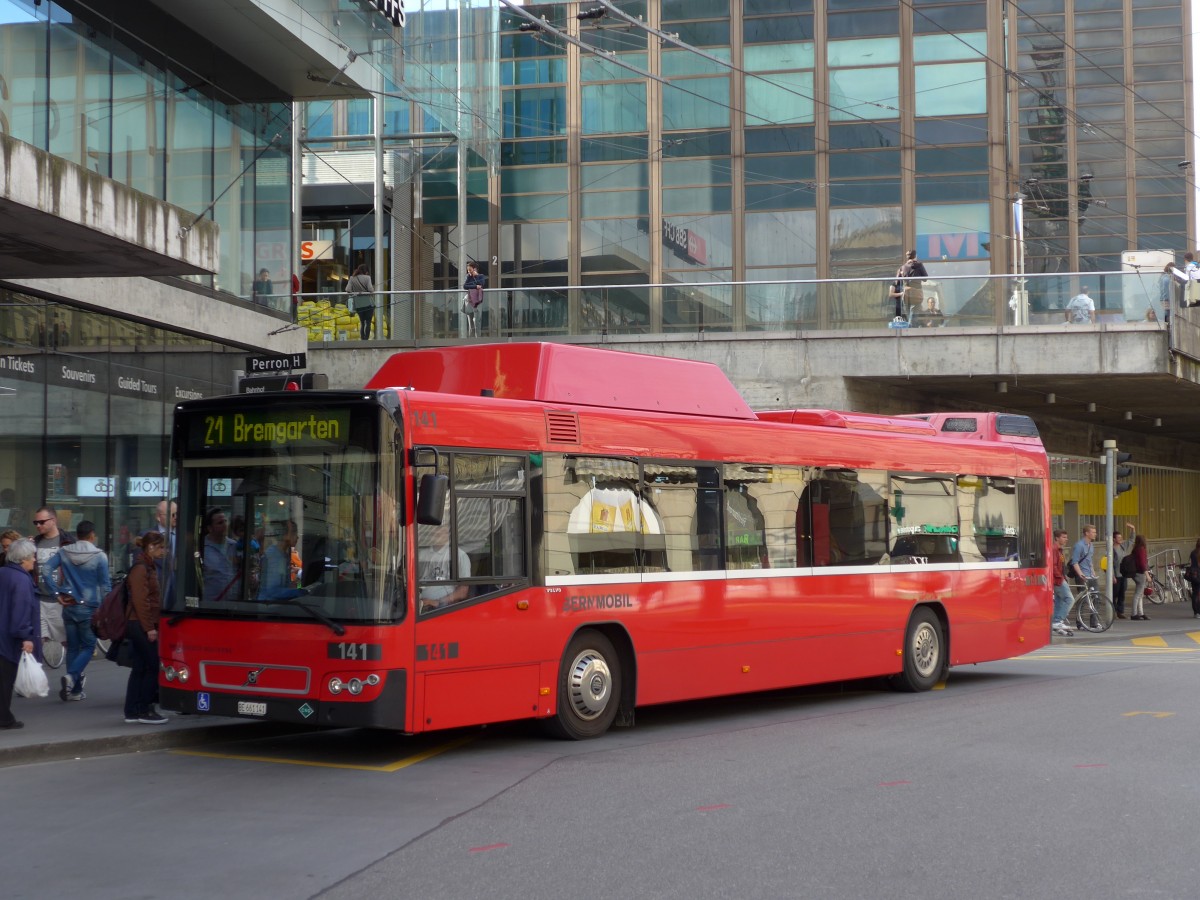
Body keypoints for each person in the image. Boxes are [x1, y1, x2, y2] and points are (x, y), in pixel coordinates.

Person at [47, 520, 110, 701]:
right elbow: (105, 586)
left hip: (69, 604)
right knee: (89, 646)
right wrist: (106, 609)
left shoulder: (64, 552)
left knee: (73, 647)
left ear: (77, 535)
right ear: (92, 535)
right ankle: (72, 676)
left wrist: (55, 592)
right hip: (89, 606)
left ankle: (73, 691)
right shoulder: (100, 556)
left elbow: (45, 570)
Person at [124, 531, 167, 724]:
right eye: (162, 547)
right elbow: (141, 601)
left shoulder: (146, 566)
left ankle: (132, 710)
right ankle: (144, 709)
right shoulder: (142, 568)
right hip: (140, 624)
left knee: (140, 667)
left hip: (138, 622)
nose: (164, 551)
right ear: (151, 547)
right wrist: (150, 628)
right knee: (151, 665)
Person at [0, 538, 40, 730]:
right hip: (8, 638)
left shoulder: (3, 572)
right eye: (32, 556)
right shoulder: (22, 580)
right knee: (6, 680)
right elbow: (21, 611)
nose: (34, 559)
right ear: (23, 558)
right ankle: (4, 718)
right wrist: (26, 636)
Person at [32, 506, 68, 668]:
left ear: (53, 521)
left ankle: (74, 676)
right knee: (37, 639)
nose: (38, 526)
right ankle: (34, 675)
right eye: (36, 523)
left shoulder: (67, 542)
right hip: (39, 597)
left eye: (41, 522)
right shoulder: (36, 542)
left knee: (65, 639)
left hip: (59, 600)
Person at [418, 524, 470, 613]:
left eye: (442, 531)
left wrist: (438, 602)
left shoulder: (459, 556)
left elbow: (463, 591)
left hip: (441, 609)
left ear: (449, 535)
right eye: (435, 530)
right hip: (415, 604)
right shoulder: (421, 554)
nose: (438, 532)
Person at [258, 520, 305, 601]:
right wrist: (299, 592)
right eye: (294, 533)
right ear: (285, 535)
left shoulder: (283, 556)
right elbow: (272, 591)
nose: (297, 537)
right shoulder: (273, 555)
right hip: (267, 607)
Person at [201, 507, 241, 602]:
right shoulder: (202, 548)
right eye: (220, 523)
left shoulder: (234, 546)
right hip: (211, 603)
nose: (225, 525)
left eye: (225, 521)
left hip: (234, 603)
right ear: (210, 528)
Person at [1051, 529, 1073, 637]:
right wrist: (1061, 577)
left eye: (1066, 537)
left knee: (1059, 601)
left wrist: (1064, 576)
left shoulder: (1059, 549)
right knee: (1069, 599)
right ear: (1057, 538)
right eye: (1063, 537)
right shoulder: (1054, 549)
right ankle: (1058, 621)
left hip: (1060, 578)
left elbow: (1060, 566)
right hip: (1057, 580)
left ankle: (1055, 623)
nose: (1066, 539)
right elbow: (1053, 566)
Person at [1111, 523, 1135, 619]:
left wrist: (1133, 529)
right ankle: (1112, 611)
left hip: (1123, 574)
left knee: (1122, 593)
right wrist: (1112, 576)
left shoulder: (1123, 546)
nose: (1120, 539)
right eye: (1118, 538)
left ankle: (1120, 611)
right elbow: (1110, 564)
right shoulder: (1111, 550)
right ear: (1114, 539)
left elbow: (1131, 540)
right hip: (1116, 575)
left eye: (1121, 537)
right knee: (1114, 594)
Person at [896, 250, 927, 321]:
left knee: (907, 315)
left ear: (907, 257)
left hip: (906, 293)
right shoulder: (919, 265)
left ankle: (908, 328)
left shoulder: (902, 267)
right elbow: (925, 278)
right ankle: (911, 327)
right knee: (913, 316)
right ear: (915, 256)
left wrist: (902, 274)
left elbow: (897, 281)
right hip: (917, 293)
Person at [347, 264, 375, 340]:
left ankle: (362, 338)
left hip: (358, 303)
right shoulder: (367, 278)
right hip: (368, 303)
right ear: (366, 271)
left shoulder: (352, 278)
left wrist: (356, 292)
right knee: (368, 322)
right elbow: (371, 290)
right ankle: (366, 339)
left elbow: (348, 289)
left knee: (362, 322)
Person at [462, 261, 488, 337]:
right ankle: (471, 339)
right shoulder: (468, 277)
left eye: (470, 269)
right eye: (468, 270)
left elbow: (482, 284)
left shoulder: (480, 276)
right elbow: (465, 286)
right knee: (470, 323)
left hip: (477, 301)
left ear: (474, 269)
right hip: (469, 301)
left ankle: (478, 338)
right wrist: (475, 286)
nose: (468, 271)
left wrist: (474, 280)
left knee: (477, 321)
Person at [1128, 533, 1150, 620]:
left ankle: (1140, 613)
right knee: (1138, 594)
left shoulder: (1136, 549)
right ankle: (1134, 613)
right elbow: (1142, 563)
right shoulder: (1141, 550)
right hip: (1140, 573)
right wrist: (1147, 574)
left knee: (1140, 594)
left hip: (1136, 573)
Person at [1188, 538, 1200, 619]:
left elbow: (1191, 564)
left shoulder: (1193, 552)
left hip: (1194, 575)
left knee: (1195, 593)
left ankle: (1196, 612)